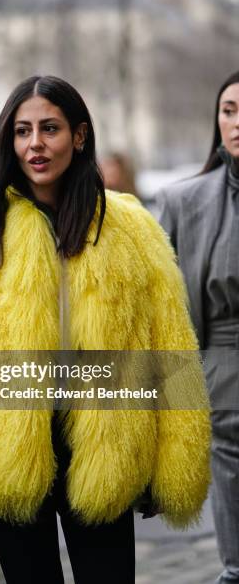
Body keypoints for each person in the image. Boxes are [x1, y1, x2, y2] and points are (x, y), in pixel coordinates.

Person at [0, 75, 211, 584]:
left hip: (105, 438)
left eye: (50, 128)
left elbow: (168, 342)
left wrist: (171, 464)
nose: (34, 144)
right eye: (22, 131)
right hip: (6, 443)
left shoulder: (128, 228)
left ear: (79, 136)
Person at [156, 70, 239, 584]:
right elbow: (160, 312)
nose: (237, 122)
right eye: (229, 110)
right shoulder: (184, 202)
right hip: (217, 374)